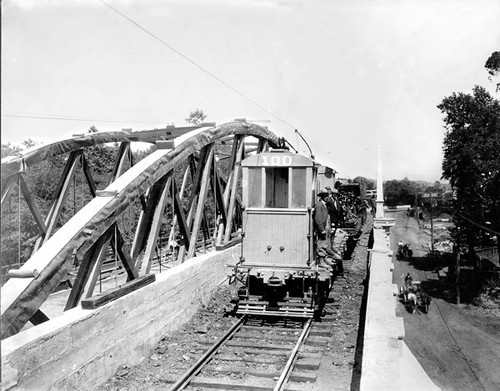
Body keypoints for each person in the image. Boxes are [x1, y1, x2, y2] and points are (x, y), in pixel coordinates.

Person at [313, 188, 339, 271]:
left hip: (326, 227)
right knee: (321, 245)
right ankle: (321, 261)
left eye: (328, 196)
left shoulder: (325, 205)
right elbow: (318, 218)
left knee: (326, 244)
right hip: (322, 228)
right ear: (323, 197)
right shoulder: (319, 205)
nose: (328, 198)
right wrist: (321, 229)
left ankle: (325, 259)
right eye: (326, 196)